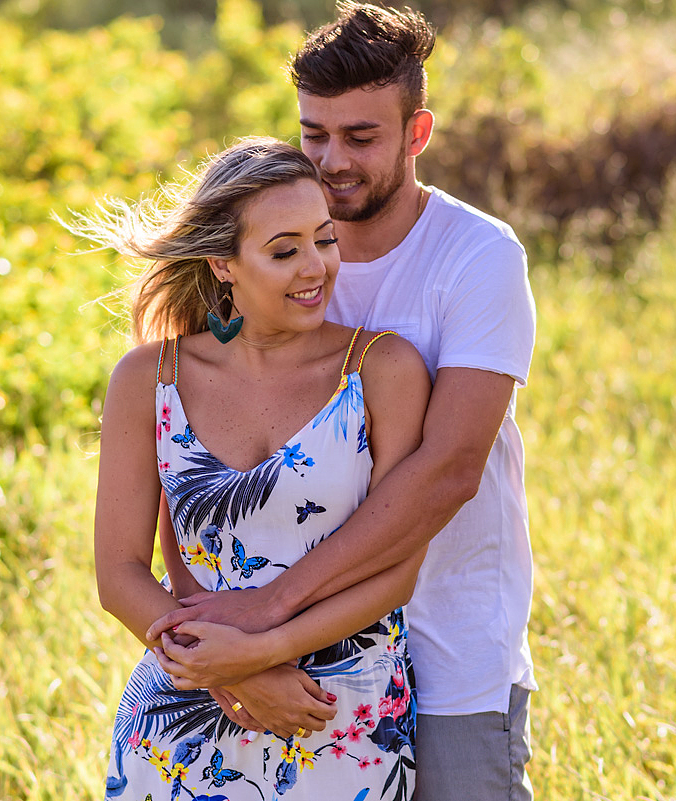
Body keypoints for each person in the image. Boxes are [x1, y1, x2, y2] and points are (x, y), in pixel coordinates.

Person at [151, 5, 539, 800]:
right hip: (280, 665)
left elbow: (449, 470)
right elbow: (184, 467)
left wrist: (268, 613)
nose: (332, 161)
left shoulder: (478, 258)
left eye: (361, 137)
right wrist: (231, 652)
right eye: (314, 135)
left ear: (417, 133)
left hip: (448, 648)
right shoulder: (257, 254)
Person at [68, 137, 431, 800]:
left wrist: (263, 653)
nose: (315, 267)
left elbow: (398, 570)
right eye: (284, 251)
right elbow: (119, 575)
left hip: (341, 718)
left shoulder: (382, 369)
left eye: (325, 239)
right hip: (182, 720)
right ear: (223, 263)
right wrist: (234, 676)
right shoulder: (149, 377)